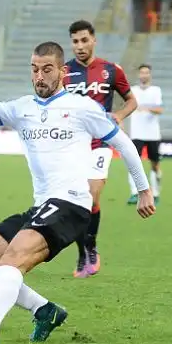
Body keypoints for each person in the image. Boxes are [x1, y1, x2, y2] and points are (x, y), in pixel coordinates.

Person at [0, 41, 155, 344]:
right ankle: (45, 310)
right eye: (34, 69)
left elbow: (124, 145)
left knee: (12, 258)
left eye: (47, 69)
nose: (39, 76)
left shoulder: (83, 108)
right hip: (42, 206)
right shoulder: (22, 108)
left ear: (62, 72)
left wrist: (143, 189)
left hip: (71, 205)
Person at [63, 20, 138, 278]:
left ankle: (91, 246)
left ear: (94, 40)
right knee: (75, 201)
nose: (80, 46)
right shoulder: (62, 73)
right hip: (71, 145)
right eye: (75, 41)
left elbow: (131, 100)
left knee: (92, 196)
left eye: (84, 40)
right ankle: (82, 252)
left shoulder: (110, 70)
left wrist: (119, 115)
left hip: (99, 144)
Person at [127, 64, 163, 205]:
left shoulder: (156, 90)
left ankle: (155, 193)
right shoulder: (132, 91)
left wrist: (146, 108)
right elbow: (127, 106)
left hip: (153, 134)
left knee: (155, 165)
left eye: (146, 73)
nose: (144, 75)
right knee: (134, 163)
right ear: (138, 75)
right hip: (137, 133)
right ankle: (135, 193)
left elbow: (160, 109)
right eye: (142, 72)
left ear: (150, 75)